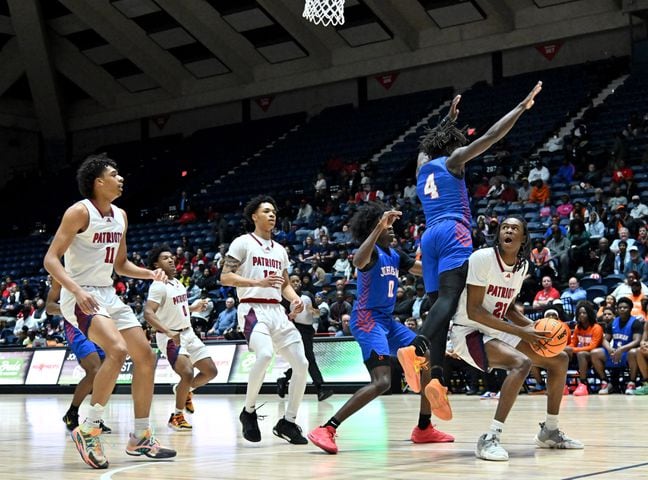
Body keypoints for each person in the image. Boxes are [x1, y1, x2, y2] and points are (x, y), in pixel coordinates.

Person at [397, 82, 544, 421]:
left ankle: (435, 378)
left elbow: (425, 144)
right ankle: (414, 348)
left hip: (428, 235)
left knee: (438, 309)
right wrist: (520, 108)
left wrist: (446, 120)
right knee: (450, 299)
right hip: (453, 230)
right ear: (452, 146)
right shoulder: (453, 161)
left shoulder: (421, 166)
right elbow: (491, 136)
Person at [42, 153, 176, 469]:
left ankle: (141, 435)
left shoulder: (121, 216)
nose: (121, 178)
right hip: (81, 294)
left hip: (107, 294)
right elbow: (50, 259)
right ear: (98, 182)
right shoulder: (78, 212)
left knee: (145, 356)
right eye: (114, 174)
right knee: (116, 351)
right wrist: (74, 290)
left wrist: (149, 273)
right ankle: (88, 428)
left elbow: (120, 265)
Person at [308, 203, 454, 454]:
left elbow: (423, 271)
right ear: (374, 227)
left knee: (426, 355)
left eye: (391, 226)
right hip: (367, 320)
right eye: (386, 226)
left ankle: (424, 427)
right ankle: (327, 428)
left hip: (386, 320)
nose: (392, 229)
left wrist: (452, 269)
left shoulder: (395, 255)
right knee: (382, 382)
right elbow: (358, 259)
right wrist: (379, 226)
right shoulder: (371, 252)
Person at [449, 216, 583, 461]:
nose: (508, 230)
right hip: (468, 331)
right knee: (520, 363)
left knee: (559, 359)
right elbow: (475, 311)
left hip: (497, 330)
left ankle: (550, 431)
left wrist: (535, 329)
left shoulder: (522, 266)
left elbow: (508, 308)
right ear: (499, 234)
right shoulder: (482, 258)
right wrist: (523, 333)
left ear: (523, 239)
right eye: (505, 227)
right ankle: (490, 438)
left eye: (515, 228)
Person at [220, 195, 309, 445]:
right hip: (252, 309)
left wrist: (294, 299)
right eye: (267, 211)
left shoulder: (280, 250)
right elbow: (225, 277)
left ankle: (288, 422)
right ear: (254, 216)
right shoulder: (242, 243)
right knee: (265, 355)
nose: (272, 215)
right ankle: (248, 412)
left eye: (274, 212)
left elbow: (285, 284)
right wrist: (256, 282)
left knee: (302, 365)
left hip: (277, 312)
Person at [144, 245, 218, 431]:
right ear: (156, 264)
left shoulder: (177, 283)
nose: (171, 260)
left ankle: (184, 391)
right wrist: (169, 332)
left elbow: (179, 306)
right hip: (171, 337)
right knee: (186, 373)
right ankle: (176, 416)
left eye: (171, 257)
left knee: (211, 372)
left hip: (188, 332)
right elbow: (148, 313)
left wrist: (194, 307)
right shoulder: (158, 286)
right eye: (165, 258)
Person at [46, 279, 112, 434]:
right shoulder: (60, 277)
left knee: (105, 370)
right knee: (94, 369)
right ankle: (72, 412)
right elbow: (49, 307)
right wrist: (71, 308)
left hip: (99, 322)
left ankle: (94, 418)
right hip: (75, 325)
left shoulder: (98, 270)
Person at [276, 275, 333, 402]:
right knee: (309, 359)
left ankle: (283, 380)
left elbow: (318, 313)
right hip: (295, 329)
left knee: (302, 361)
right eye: (293, 281)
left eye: (298, 281)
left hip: (308, 330)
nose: (296, 283)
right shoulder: (284, 299)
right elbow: (282, 317)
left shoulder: (308, 295)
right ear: (289, 284)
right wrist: (290, 316)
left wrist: (313, 311)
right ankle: (320, 389)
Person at [590, 296, 642, 394]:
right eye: (620, 307)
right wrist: (609, 349)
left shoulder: (636, 322)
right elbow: (605, 340)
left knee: (633, 352)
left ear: (630, 309)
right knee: (595, 353)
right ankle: (605, 381)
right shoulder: (613, 322)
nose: (622, 309)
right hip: (614, 351)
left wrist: (622, 349)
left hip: (627, 353)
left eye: (625, 307)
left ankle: (632, 382)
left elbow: (637, 341)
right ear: (617, 309)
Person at [564, 301, 604, 396]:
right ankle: (563, 384)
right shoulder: (578, 327)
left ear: (589, 314)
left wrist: (573, 350)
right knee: (563, 353)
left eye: (584, 313)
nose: (581, 315)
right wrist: (565, 348)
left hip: (595, 356)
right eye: (580, 313)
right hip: (581, 355)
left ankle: (583, 384)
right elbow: (573, 343)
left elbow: (592, 347)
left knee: (581, 354)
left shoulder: (596, 328)